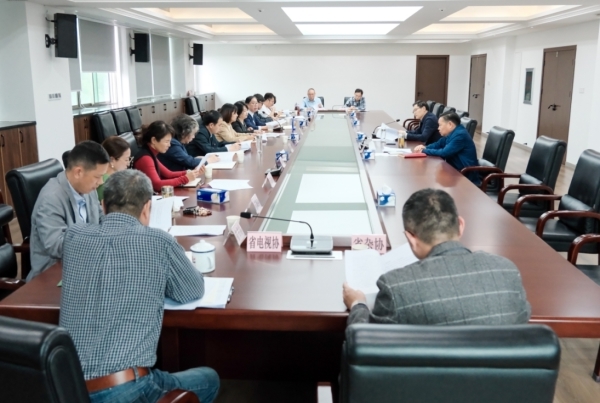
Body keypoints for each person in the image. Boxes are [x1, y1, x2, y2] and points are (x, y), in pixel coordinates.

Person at [59, 170, 219, 403]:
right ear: (147, 208)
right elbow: (191, 290)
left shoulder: (74, 236)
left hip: (66, 388)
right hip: (127, 388)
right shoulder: (158, 241)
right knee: (209, 379)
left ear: (103, 205)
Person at [343, 188, 531, 326]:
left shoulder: (395, 287)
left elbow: (366, 342)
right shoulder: (507, 272)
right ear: (460, 225)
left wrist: (358, 304)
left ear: (411, 238)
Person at [28, 141, 109, 281]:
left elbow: (101, 218)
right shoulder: (51, 198)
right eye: (97, 176)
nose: (101, 182)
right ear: (78, 172)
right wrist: (97, 241)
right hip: (53, 276)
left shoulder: (88, 188)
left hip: (84, 264)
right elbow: (56, 246)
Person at [133, 121, 201, 193]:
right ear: (154, 140)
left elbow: (169, 174)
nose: (169, 145)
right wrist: (185, 178)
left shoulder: (151, 153)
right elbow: (157, 185)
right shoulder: (145, 158)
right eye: (166, 141)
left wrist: (189, 172)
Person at [413, 113, 479, 185]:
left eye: (440, 125)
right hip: (454, 170)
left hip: (465, 175)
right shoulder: (452, 132)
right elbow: (438, 144)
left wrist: (424, 151)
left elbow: (444, 153)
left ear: (450, 124)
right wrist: (425, 147)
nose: (438, 128)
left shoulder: (460, 135)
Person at [97, 136, 131, 201]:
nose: (128, 164)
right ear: (112, 160)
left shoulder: (113, 178)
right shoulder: (105, 184)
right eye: (126, 159)